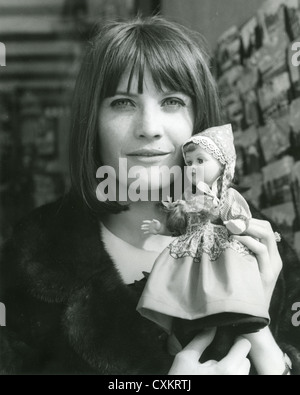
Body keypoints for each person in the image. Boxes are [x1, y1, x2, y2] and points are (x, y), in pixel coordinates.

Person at [0, 16, 299, 375]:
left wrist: (266, 345)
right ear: (91, 122)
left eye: (172, 101)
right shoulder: (33, 254)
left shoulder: (261, 244)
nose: (149, 129)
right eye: (123, 103)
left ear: (199, 121)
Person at [137, 124, 270, 348]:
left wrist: (234, 224)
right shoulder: (189, 197)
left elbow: (239, 218)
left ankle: (232, 312)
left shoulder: (227, 196)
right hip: (190, 246)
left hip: (219, 243)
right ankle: (184, 319)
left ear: (223, 165)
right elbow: (180, 226)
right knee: (184, 282)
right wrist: (161, 229)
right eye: (189, 163)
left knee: (223, 276)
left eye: (201, 160)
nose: (193, 167)